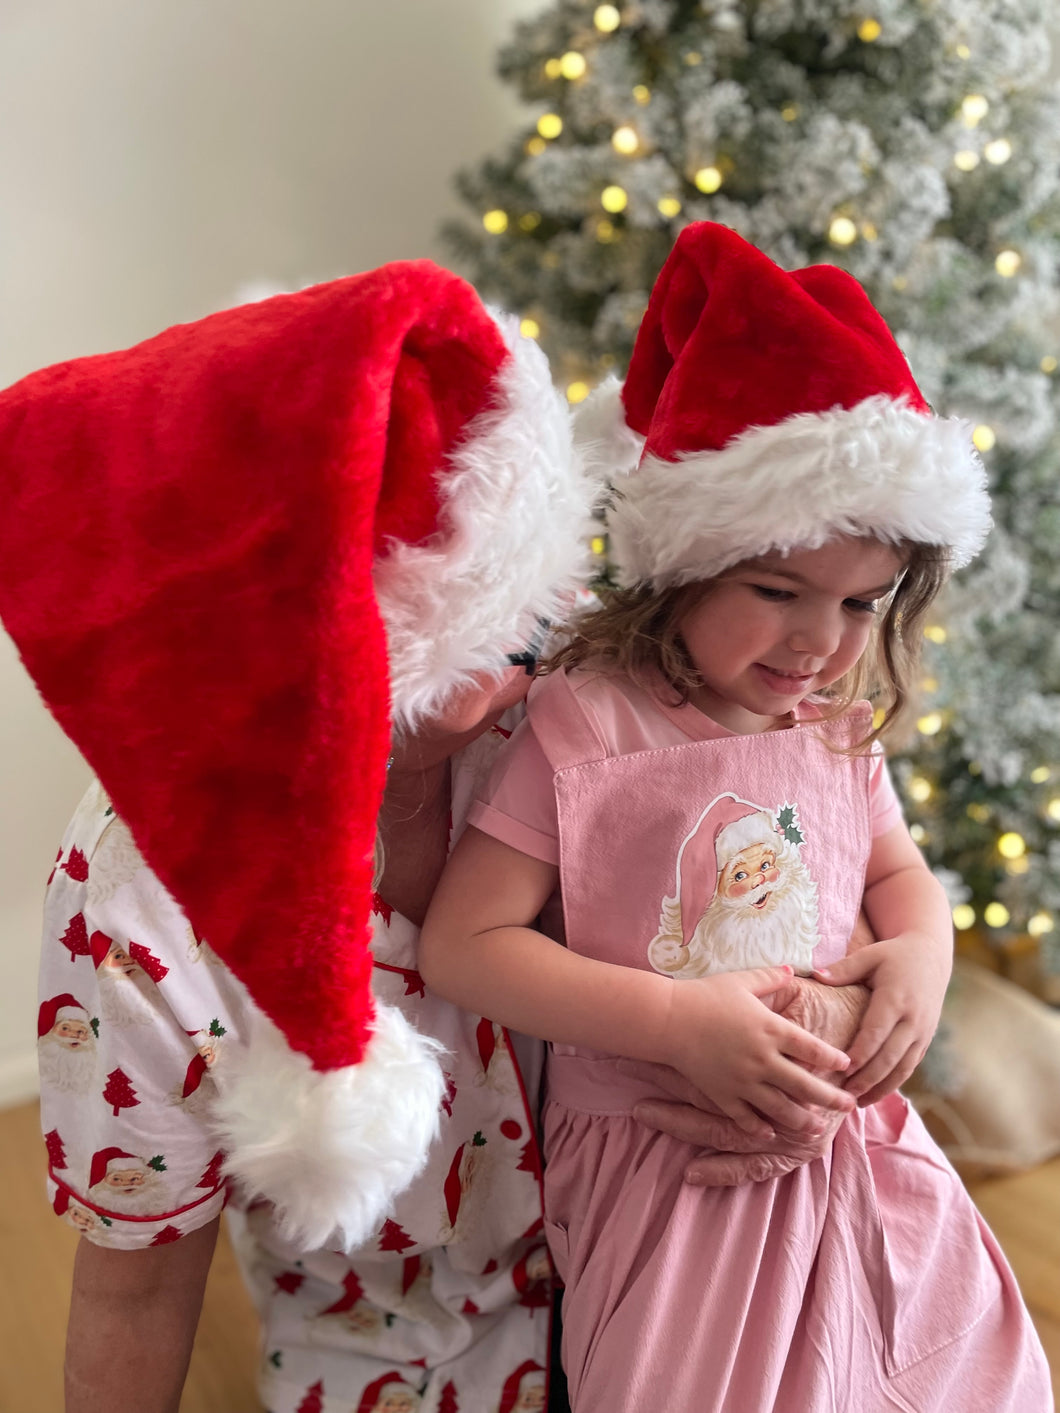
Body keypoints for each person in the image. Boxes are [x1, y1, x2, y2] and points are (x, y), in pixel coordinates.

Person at [0, 256, 864, 1413]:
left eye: (538, 618)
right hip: (383, 1349)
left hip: (675, 1263)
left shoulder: (568, 707)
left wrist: (873, 988)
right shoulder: (136, 907)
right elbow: (136, 1290)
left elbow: (798, 878)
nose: (539, 671)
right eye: (496, 648)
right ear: (333, 671)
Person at [420, 223, 1052, 1410]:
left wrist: (921, 956)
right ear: (685, 563)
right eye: (777, 592)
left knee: (950, 1372)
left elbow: (901, 878)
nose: (822, 640)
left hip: (852, 1149)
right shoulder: (590, 720)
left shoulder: (829, 725)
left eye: (863, 603)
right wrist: (672, 1021)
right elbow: (469, 943)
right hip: (672, 1162)